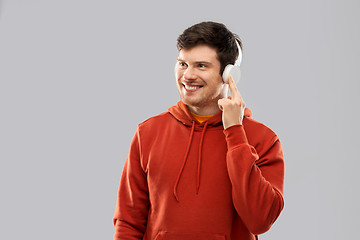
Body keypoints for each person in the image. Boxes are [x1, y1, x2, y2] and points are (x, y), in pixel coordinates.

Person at [113, 21, 285, 240]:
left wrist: (234, 131)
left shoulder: (263, 139)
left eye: (201, 66)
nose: (187, 75)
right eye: (183, 64)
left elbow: (260, 220)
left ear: (229, 74)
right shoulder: (148, 133)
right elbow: (128, 221)